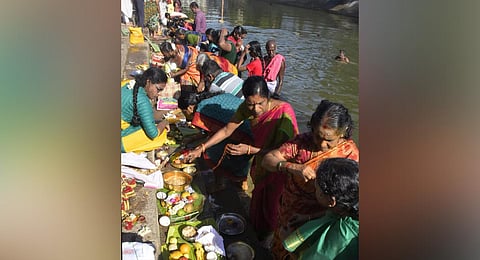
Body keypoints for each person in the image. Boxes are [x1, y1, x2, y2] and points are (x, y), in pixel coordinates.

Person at [186, 76, 299, 243]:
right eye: (251, 104)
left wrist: (249, 150)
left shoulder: (283, 113)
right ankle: (256, 236)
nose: (256, 109)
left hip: (279, 166)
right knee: (257, 200)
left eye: (260, 103)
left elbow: (288, 151)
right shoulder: (246, 108)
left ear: (268, 97)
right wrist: (201, 148)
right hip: (261, 163)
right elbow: (226, 130)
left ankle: (268, 241)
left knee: (273, 205)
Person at [261, 99, 359, 256]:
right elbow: (268, 160)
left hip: (321, 221)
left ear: (343, 132)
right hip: (291, 212)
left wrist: (309, 218)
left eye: (329, 140)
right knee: (280, 248)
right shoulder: (302, 143)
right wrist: (293, 167)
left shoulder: (350, 156)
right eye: (317, 136)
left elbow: (349, 203)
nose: (321, 145)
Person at [282, 158, 359, 260]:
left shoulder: (342, 236)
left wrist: (288, 242)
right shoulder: (351, 204)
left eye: (317, 189)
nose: (315, 190)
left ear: (331, 201)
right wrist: (308, 217)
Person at [121, 67, 170, 153]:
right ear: (148, 82)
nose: (159, 94)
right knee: (161, 135)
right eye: (158, 89)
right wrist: (164, 123)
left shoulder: (128, 83)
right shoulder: (143, 101)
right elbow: (153, 134)